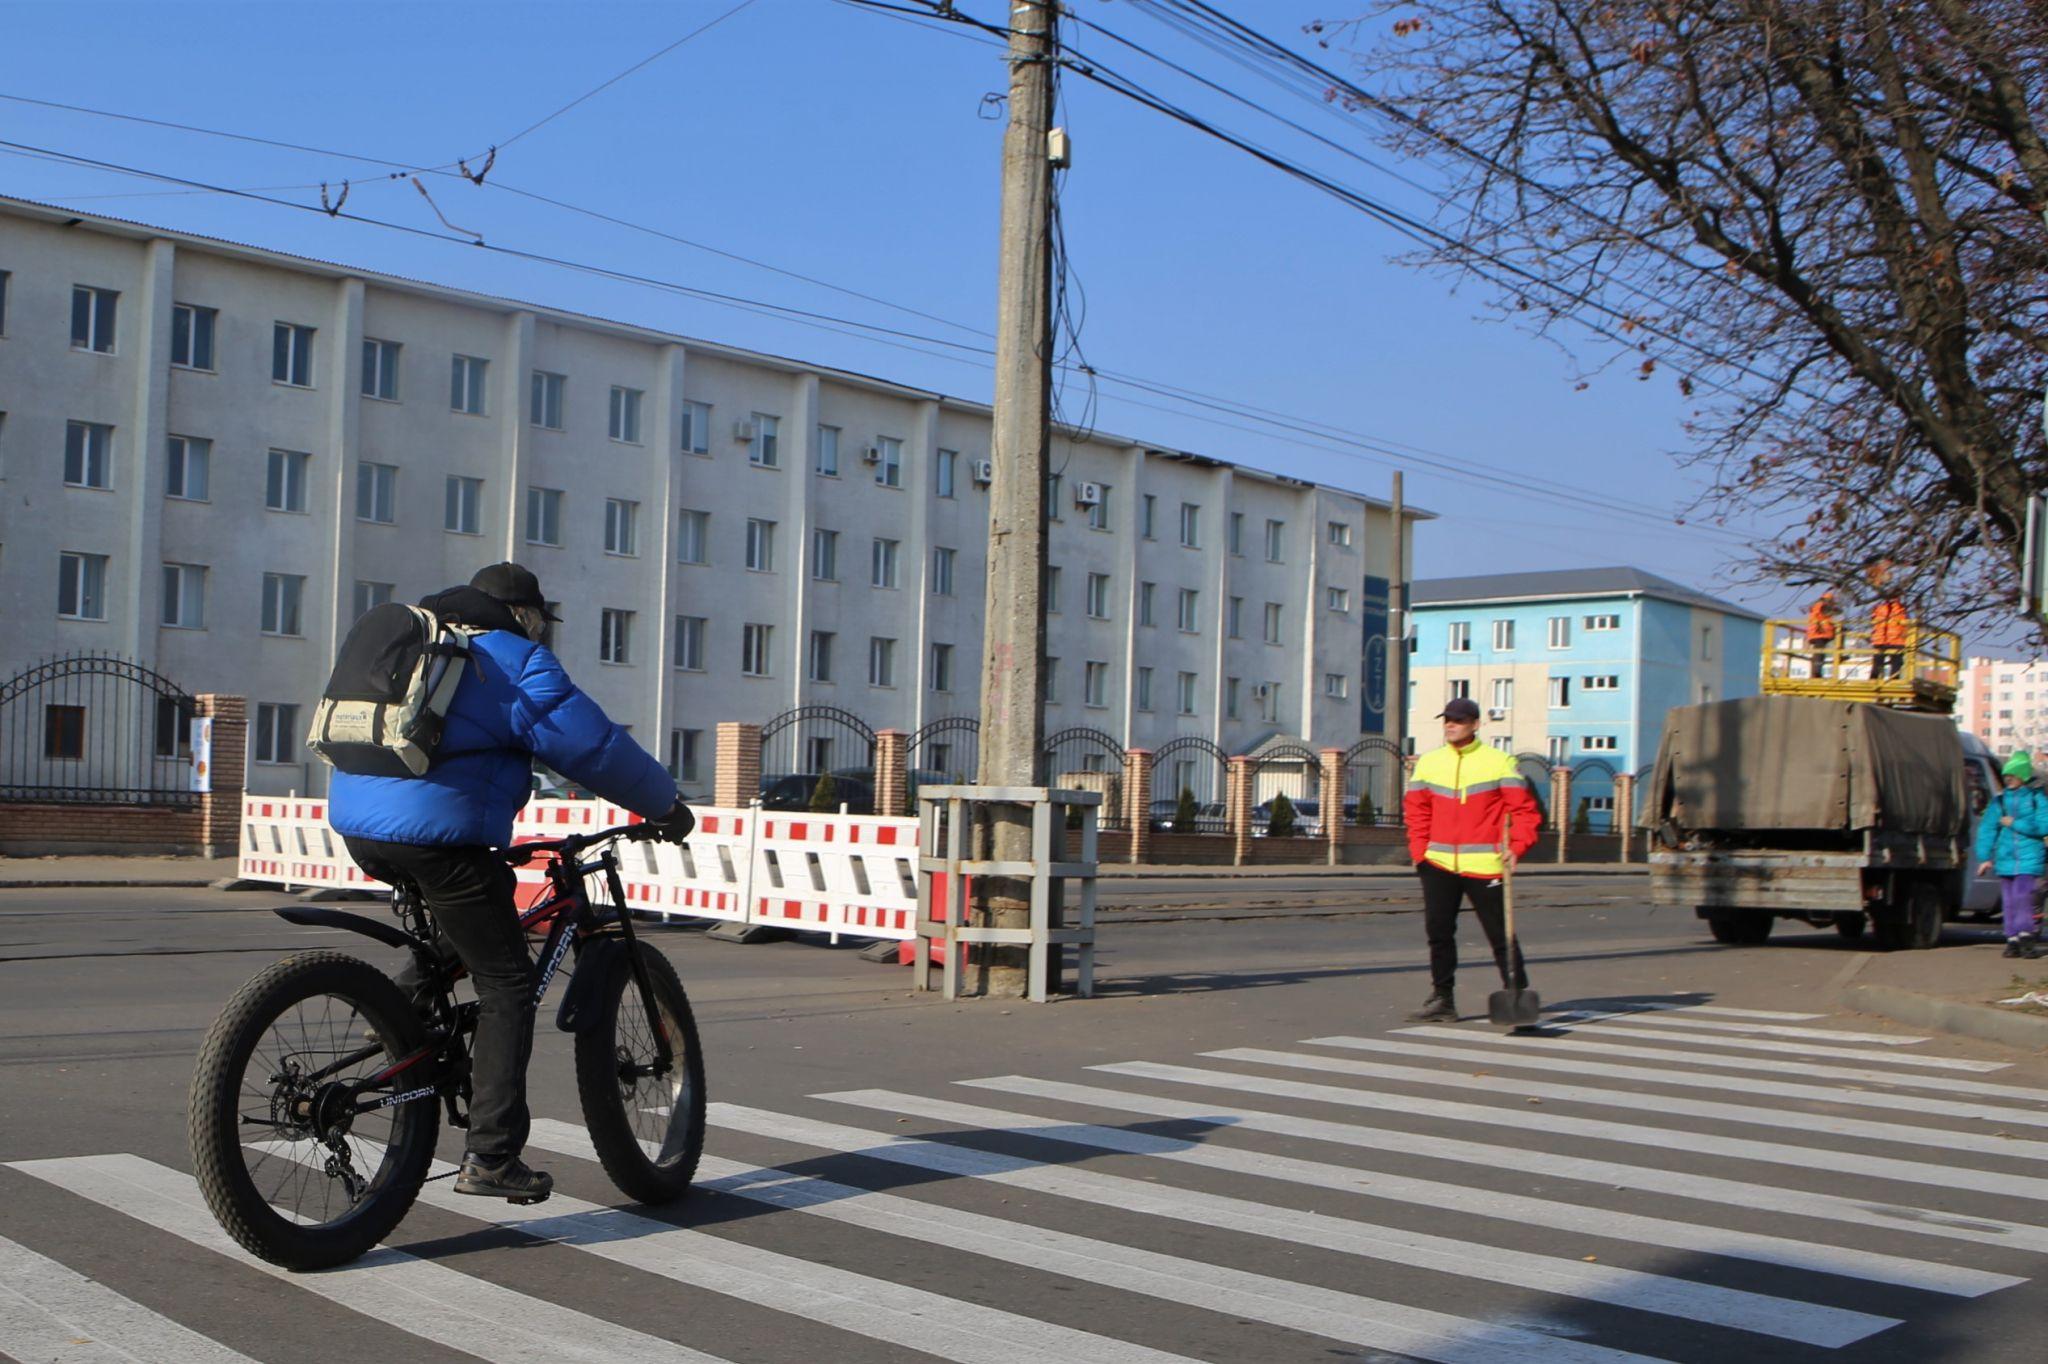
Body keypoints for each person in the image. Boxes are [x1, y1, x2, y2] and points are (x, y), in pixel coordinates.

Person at [329, 563, 693, 1203]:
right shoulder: (513, 660)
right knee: (507, 982)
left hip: (361, 826)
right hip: (438, 834)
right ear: (524, 614)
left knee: (478, 911)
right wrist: (664, 804)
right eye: (539, 622)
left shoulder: (418, 639)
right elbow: (594, 748)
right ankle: (492, 1156)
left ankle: (391, 1010)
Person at [1401, 697, 1543, 1021]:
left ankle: (1516, 992)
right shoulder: (1429, 762)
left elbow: (1524, 812)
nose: (1450, 725)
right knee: (1438, 932)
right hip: (1437, 864)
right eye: (1447, 719)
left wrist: (1517, 846)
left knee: (1500, 934)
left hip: (1485, 865)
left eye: (1459, 720)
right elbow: (1417, 810)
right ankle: (1443, 998)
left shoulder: (1499, 762)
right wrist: (1419, 853)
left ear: (1475, 725)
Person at [1974, 751, 2048, 960]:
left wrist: (2015, 823)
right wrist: (1985, 857)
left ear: (2022, 777)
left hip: (2029, 859)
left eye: (2012, 776)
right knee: (2008, 902)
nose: (2008, 780)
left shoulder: (2036, 798)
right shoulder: (2000, 802)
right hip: (2006, 859)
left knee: (2022, 898)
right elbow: (1987, 830)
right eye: (2006, 777)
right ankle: (2012, 940)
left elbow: (2044, 826)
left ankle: (2026, 938)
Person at [1871, 597, 1909, 680]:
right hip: (1889, 639)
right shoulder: (1901, 609)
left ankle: (1874, 680)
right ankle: (1890, 680)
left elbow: (1873, 619)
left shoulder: (1879, 607)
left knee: (1881, 662)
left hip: (1886, 639)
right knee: (1884, 662)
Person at [1805, 591, 1839, 679]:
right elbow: (1829, 613)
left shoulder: (1819, 605)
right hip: (1819, 633)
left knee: (1820, 654)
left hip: (1819, 632)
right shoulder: (1822, 605)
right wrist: (1835, 610)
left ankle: (1817, 672)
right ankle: (1816, 673)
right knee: (1819, 654)